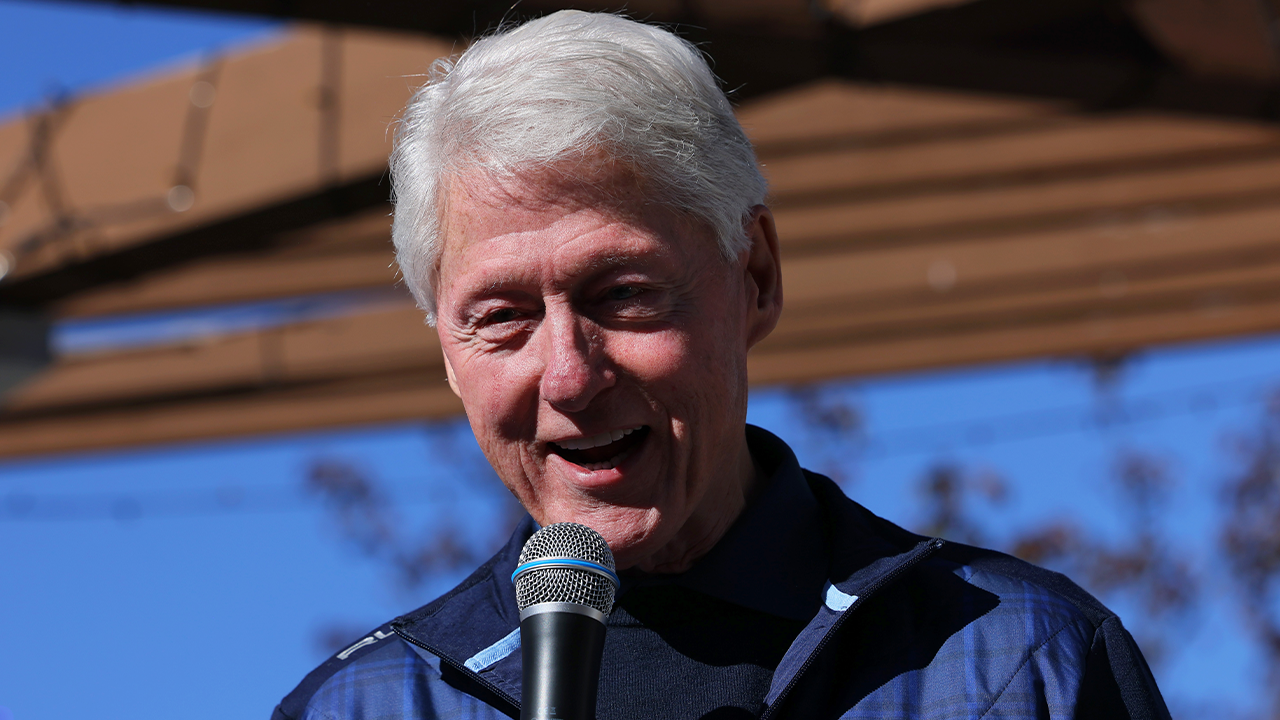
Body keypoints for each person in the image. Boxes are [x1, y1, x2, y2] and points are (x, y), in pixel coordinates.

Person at [273, 11, 1170, 720]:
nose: (569, 377)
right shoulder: (371, 706)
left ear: (758, 279)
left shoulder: (1016, 668)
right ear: (445, 353)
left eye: (622, 293)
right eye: (501, 317)